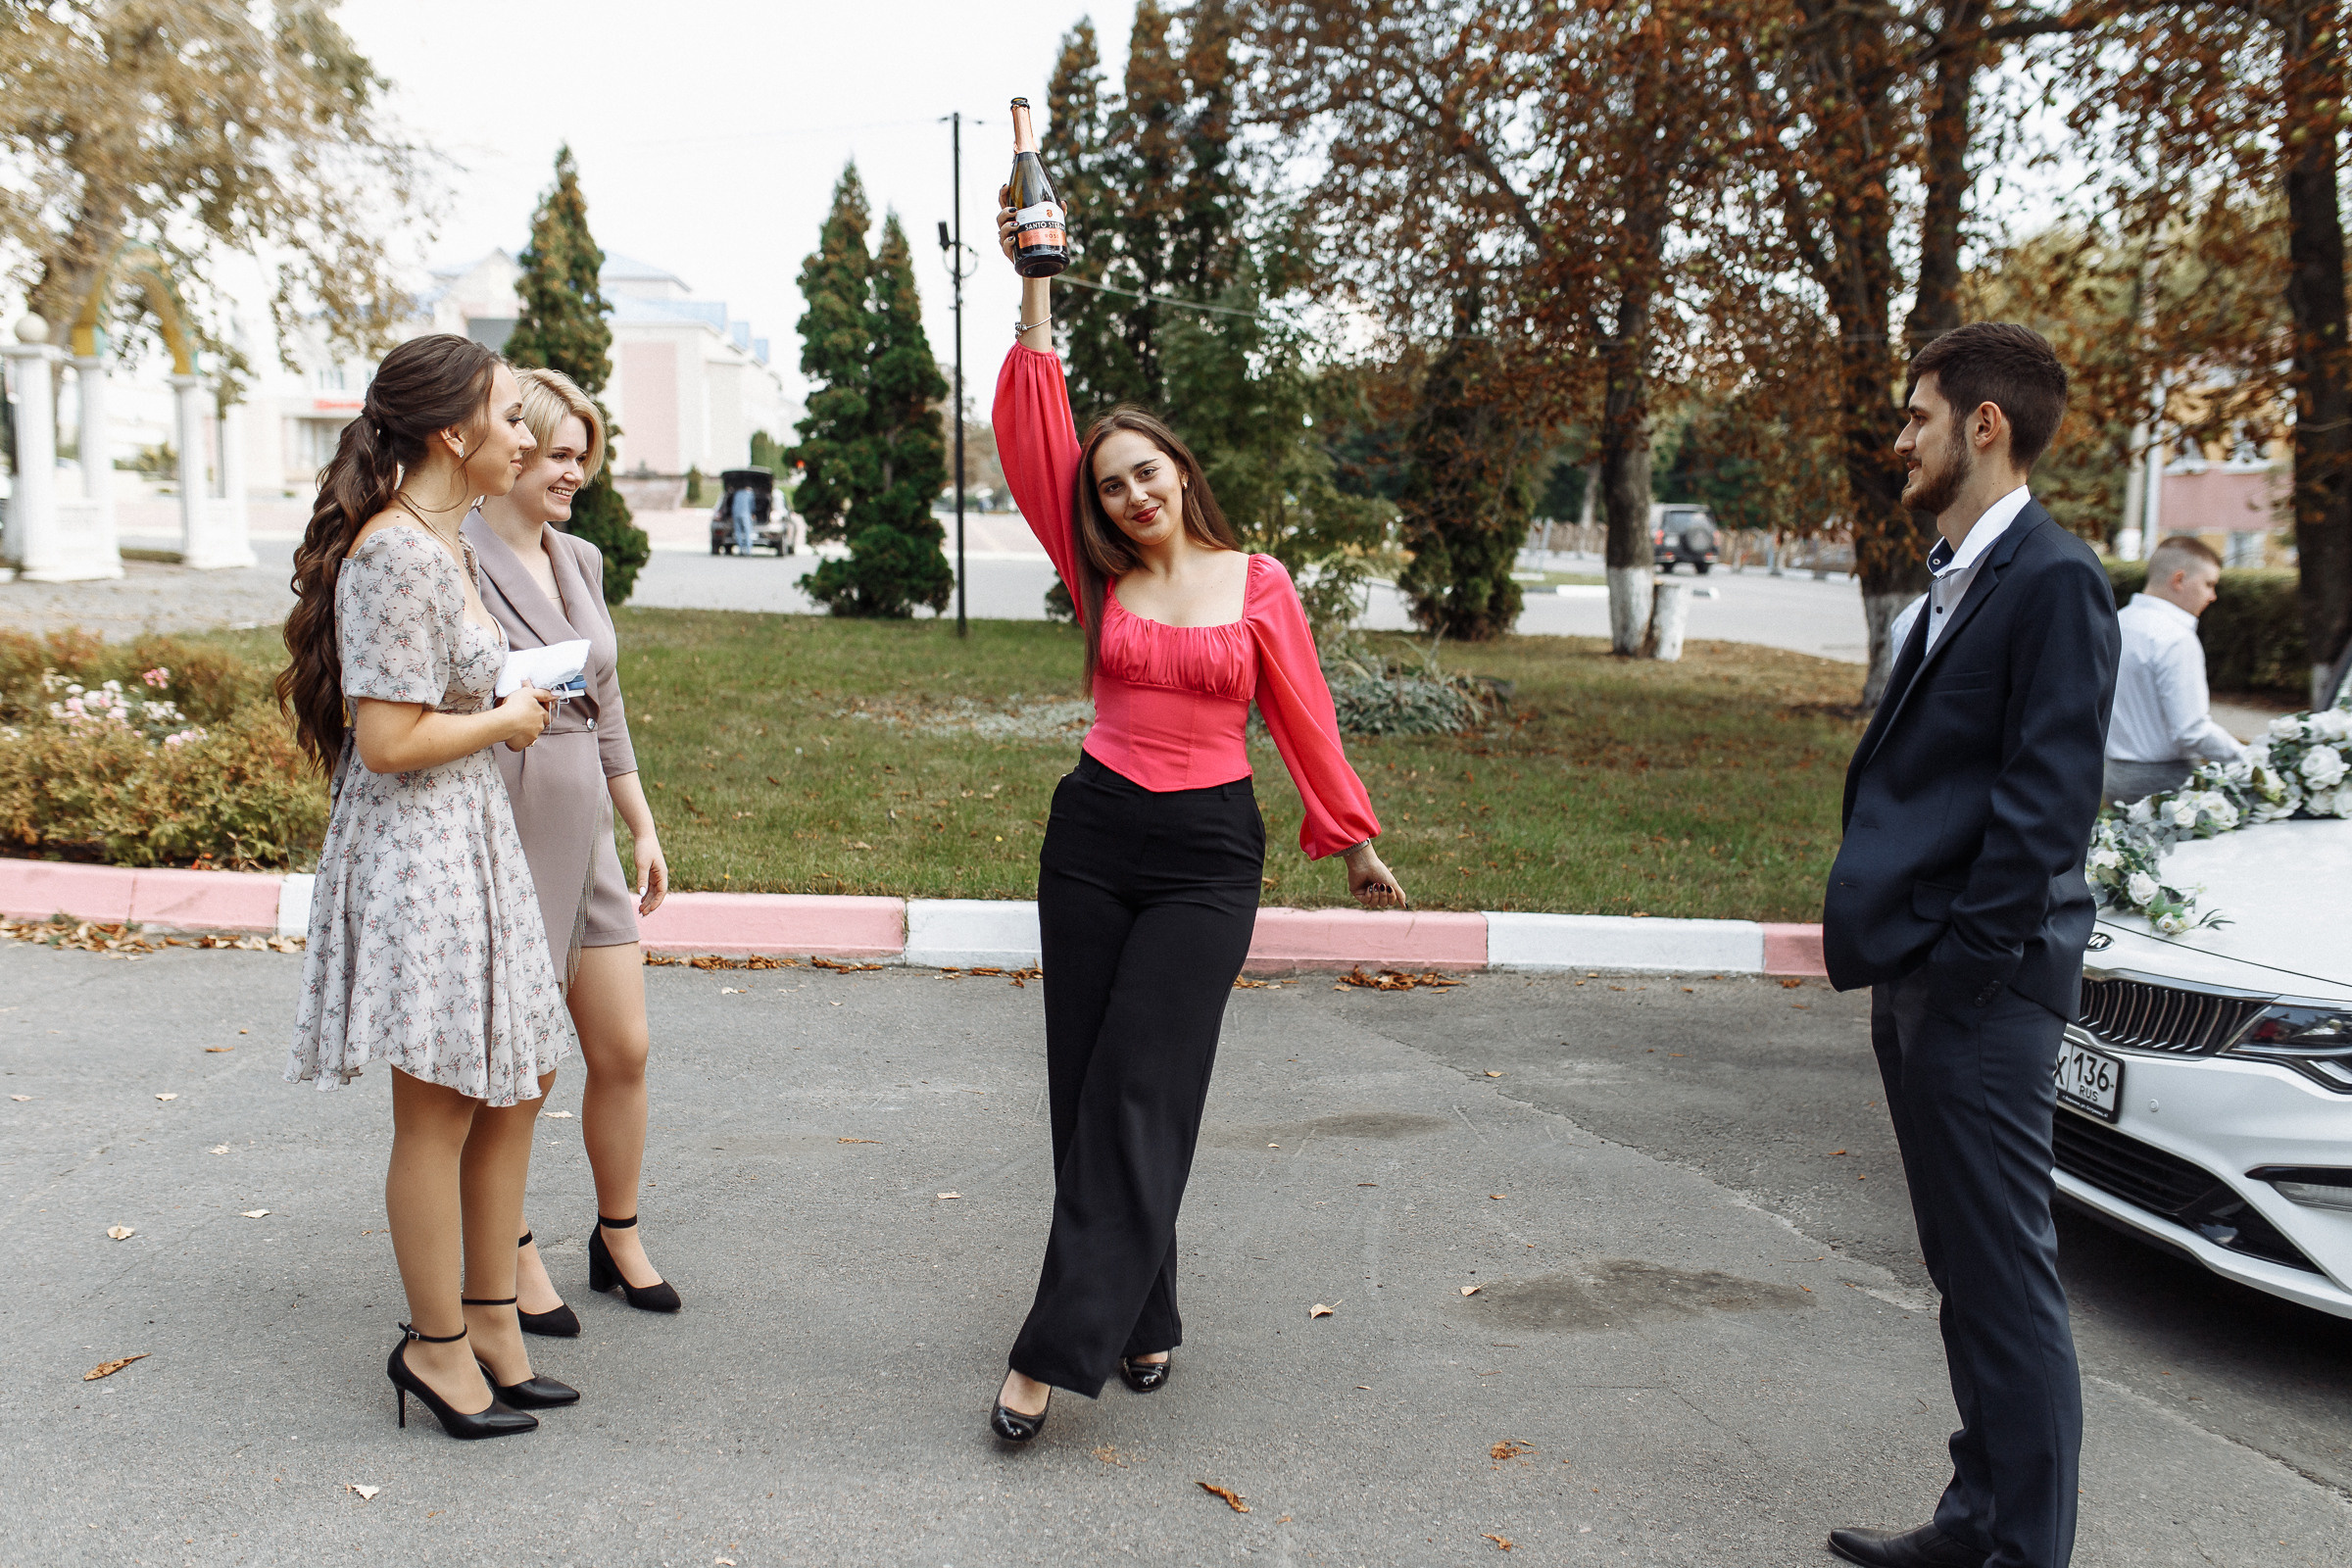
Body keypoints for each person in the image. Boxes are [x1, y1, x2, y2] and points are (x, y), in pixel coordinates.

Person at [985, 189, 1406, 1445]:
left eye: (1146, 474)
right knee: (1088, 1086)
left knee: (1144, 1083)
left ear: (1181, 472)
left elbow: (1303, 715)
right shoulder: (1097, 571)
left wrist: (1353, 839)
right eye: (1109, 487)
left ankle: (1052, 1350)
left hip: (1209, 854)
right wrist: (1038, 278)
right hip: (1096, 834)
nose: (1129, 497)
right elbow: (1032, 428)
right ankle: (1145, 1314)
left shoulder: (1257, 581)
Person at [1821, 322, 2119, 1568]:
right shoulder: (1962, 573)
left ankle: (2024, 1552)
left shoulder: (2054, 579)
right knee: (1967, 1272)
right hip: (1929, 975)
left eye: (1917, 417)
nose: (1901, 441)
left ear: (1982, 425)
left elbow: (2045, 809)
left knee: (2007, 1281)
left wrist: (1962, 968)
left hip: (1980, 990)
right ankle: (1975, 1520)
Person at [279, 334, 580, 1439]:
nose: (526, 436)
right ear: (453, 433)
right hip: (419, 851)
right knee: (441, 1105)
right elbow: (389, 738)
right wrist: (503, 718)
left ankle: (492, 1323)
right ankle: (436, 1346)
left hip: (466, 836)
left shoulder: (441, 541)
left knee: (509, 1079)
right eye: (508, 418)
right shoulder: (396, 553)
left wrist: (508, 687)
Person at [464, 368, 682, 1329]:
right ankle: (506, 1245)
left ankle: (617, 1232)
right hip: (504, 823)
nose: (574, 474)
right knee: (524, 1065)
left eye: (584, 458)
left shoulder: (580, 559)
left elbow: (607, 702)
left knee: (623, 1045)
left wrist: (640, 821)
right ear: (514, 449)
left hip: (584, 821)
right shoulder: (455, 554)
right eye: (560, 453)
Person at [2103, 534, 2244, 806]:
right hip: (2163, 781)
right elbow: (2192, 730)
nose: (2212, 596)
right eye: (2208, 584)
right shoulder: (2175, 638)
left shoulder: (2116, 623)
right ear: (2179, 579)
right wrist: (2250, 758)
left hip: (2116, 777)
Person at [730, 479, 756, 554]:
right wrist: (753, 514)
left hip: (736, 514)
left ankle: (741, 549)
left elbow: (733, 505)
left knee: (738, 532)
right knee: (748, 531)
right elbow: (752, 505)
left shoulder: (737, 493)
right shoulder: (750, 494)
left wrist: (731, 515)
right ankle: (748, 550)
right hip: (745, 514)